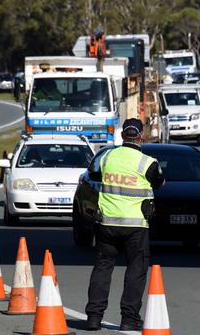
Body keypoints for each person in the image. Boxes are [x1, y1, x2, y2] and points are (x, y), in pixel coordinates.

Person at [85, 118, 165, 331]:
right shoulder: (147, 162)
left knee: (102, 268)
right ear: (141, 136)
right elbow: (159, 183)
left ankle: (94, 317)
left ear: (122, 136)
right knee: (135, 271)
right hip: (136, 226)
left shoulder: (107, 156)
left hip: (107, 223)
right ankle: (129, 319)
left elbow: (92, 173)